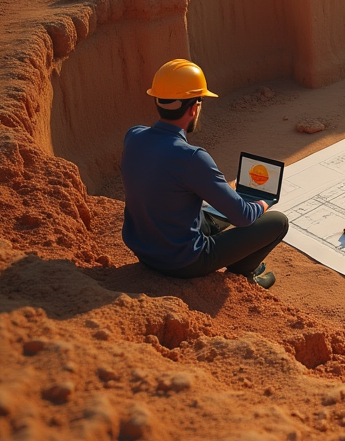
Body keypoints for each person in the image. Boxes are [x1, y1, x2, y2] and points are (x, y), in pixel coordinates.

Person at [121, 58, 289, 289]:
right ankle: (243, 274)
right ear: (193, 107)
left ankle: (236, 242)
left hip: (144, 250)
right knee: (278, 222)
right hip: (183, 262)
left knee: (209, 212)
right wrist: (261, 204)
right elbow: (242, 217)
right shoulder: (192, 157)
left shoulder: (133, 136)